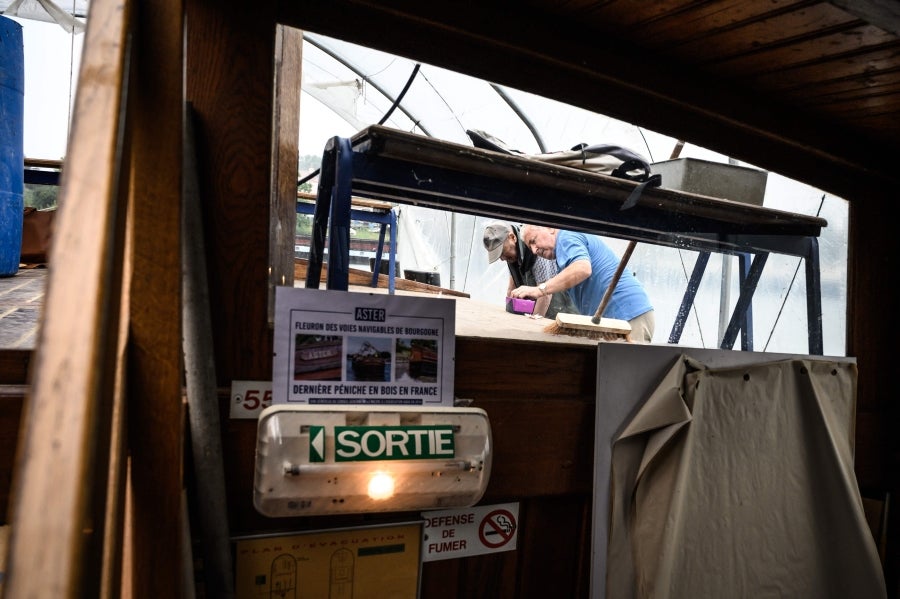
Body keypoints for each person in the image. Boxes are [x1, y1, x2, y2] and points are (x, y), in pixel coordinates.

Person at [509, 225, 655, 342]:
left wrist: (540, 290)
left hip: (627, 314)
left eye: (533, 240)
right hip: (618, 318)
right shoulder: (564, 250)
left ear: (550, 228)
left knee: (626, 375)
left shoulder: (566, 236)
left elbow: (583, 268)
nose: (534, 250)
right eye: (530, 247)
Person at [482, 221, 577, 319]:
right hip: (541, 313)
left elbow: (545, 296)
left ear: (512, 237)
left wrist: (533, 324)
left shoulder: (536, 250)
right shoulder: (512, 252)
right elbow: (512, 284)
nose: (502, 258)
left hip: (562, 313)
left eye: (502, 252)